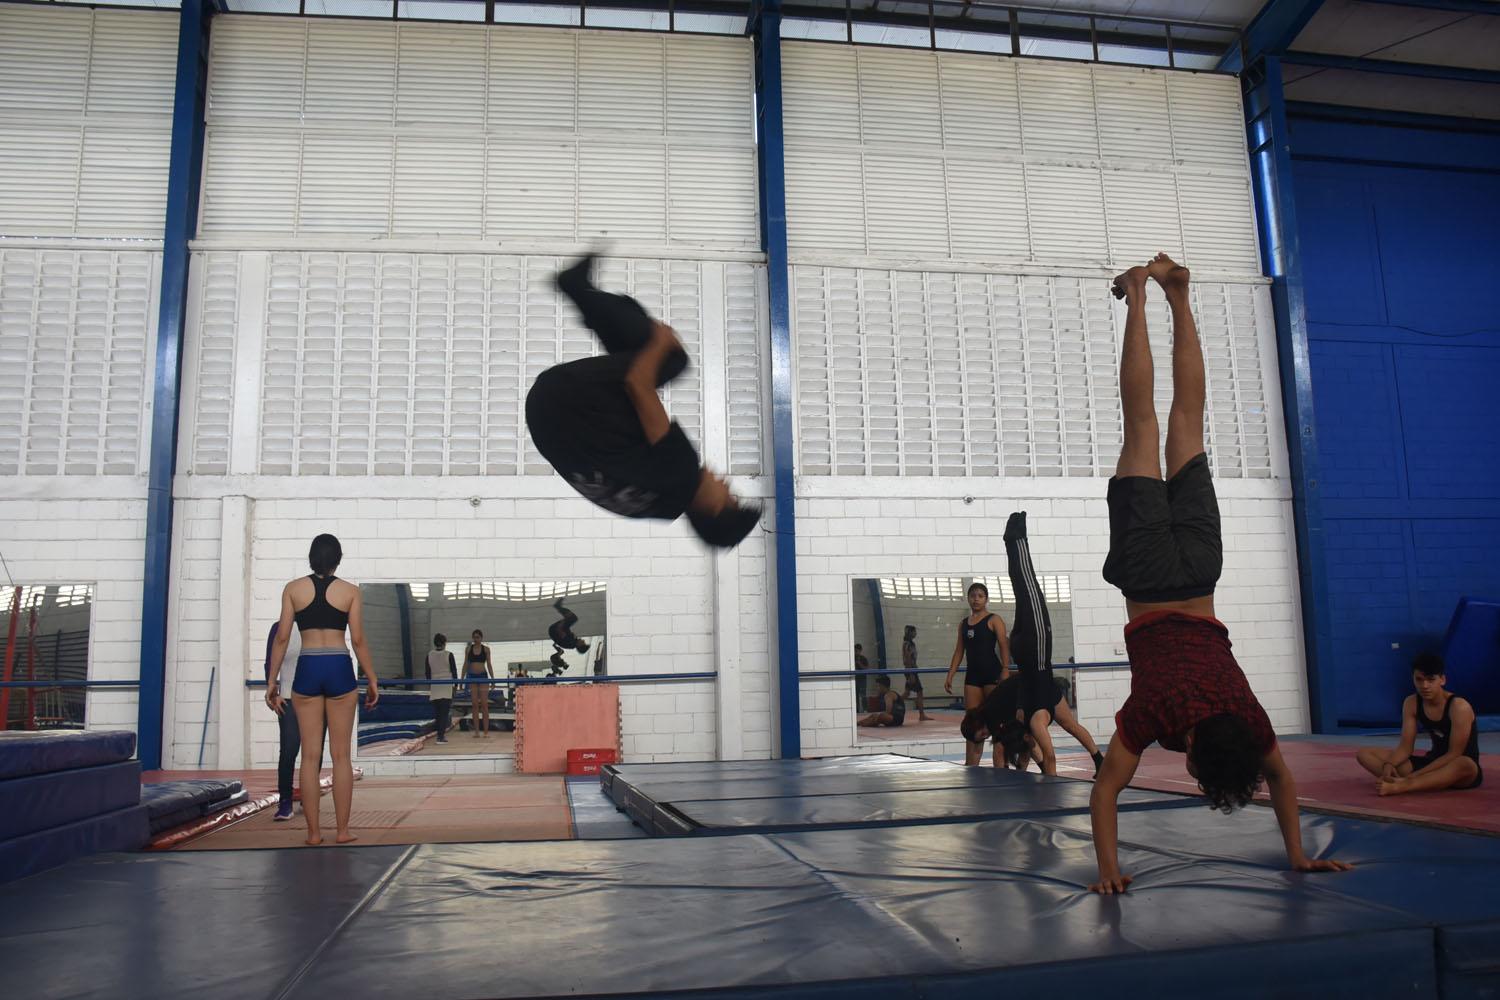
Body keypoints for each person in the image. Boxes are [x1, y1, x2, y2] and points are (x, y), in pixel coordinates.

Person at [1088, 254, 1349, 894]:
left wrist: (1298, 852)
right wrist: (1109, 871)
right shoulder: (1154, 713)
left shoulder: (1250, 716)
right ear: (1198, 754)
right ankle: (1139, 297)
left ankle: (1176, 295)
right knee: (1143, 422)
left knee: (1185, 423)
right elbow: (1105, 791)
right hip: (1149, 580)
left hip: (1203, 574)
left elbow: (1284, 779)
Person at [527, 253, 761, 549]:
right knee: (642, 357)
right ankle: (582, 292)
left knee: (671, 358)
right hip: (546, 417)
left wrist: (661, 341)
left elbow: (638, 384)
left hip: (568, 397)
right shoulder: (654, 508)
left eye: (731, 498)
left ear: (714, 509)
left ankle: (575, 287)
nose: (727, 486)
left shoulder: (681, 471)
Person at [265, 534, 379, 846]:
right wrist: (371, 678)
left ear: (312, 558)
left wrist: (272, 680)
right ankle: (342, 831)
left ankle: (314, 834)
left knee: (310, 756)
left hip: (308, 668)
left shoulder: (293, 589)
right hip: (339, 666)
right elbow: (357, 640)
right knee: (341, 756)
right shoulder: (350, 591)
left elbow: (282, 637)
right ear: (338, 559)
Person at [1356, 652, 1482, 794]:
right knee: (1364, 753)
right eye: (1419, 679)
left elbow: (1454, 754)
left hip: (1459, 769)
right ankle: (1420, 782)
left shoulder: (1459, 707)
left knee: (1465, 764)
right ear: (1413, 679)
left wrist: (1412, 777)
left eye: (1430, 680)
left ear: (1442, 680)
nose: (1425, 685)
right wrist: (1388, 765)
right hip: (1431, 762)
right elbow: (1405, 747)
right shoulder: (1411, 703)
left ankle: (1403, 786)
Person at [962, 672, 1105, 772]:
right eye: (981, 738)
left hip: (1033, 694)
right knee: (1070, 725)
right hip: (1042, 687)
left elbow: (999, 752)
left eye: (981, 734)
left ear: (978, 724)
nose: (985, 737)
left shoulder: (991, 716)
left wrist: (1001, 777)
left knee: (1032, 735)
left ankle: (1046, 769)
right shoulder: (989, 712)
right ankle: (1098, 758)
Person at [943, 588, 1010, 765]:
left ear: (986, 599)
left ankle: (1000, 767)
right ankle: (971, 767)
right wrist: (950, 674)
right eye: (973, 596)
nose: (976, 599)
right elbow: (959, 651)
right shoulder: (963, 624)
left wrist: (1005, 669)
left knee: (997, 723)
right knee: (973, 725)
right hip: (972, 677)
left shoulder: (994, 620)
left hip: (992, 674)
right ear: (968, 599)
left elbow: (1004, 645)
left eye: (980, 596)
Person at [263, 619, 310, 821]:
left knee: (312, 752)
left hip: (314, 699)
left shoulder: (315, 626)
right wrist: (273, 693)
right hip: (288, 699)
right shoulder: (279, 628)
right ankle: (285, 802)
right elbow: (270, 662)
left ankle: (309, 799)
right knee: (289, 751)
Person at [426, 633, 457, 745]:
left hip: (435, 684)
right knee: (444, 713)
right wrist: (455, 686)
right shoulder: (449, 655)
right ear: (444, 643)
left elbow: (427, 673)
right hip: (446, 685)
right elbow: (454, 671)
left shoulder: (429, 654)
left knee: (438, 713)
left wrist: (430, 685)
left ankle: (439, 734)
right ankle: (440, 736)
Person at [464, 629, 494, 738]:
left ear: (481, 638)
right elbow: (465, 664)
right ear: (472, 638)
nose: (476, 639)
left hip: (483, 676)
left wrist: (493, 679)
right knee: (475, 704)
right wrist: (462, 679)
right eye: (474, 637)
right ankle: (477, 731)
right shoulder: (468, 649)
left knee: (484, 704)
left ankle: (486, 732)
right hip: (472, 677)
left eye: (478, 637)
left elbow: (489, 664)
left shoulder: (486, 649)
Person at [902, 626, 933, 723]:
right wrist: (911, 673)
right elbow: (907, 658)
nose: (915, 633)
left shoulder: (911, 644)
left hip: (912, 670)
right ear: (910, 632)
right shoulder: (907, 644)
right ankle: (922, 714)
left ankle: (894, 702)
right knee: (919, 691)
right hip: (910, 670)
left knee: (907, 692)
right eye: (914, 631)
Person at [854, 643, 871, 707]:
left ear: (860, 651)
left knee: (863, 695)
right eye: (855, 651)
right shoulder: (851, 658)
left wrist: (859, 663)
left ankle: (864, 709)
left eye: (857, 651)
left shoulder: (863, 659)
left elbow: (867, 669)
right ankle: (857, 710)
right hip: (854, 679)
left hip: (862, 680)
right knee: (855, 696)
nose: (856, 652)